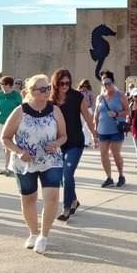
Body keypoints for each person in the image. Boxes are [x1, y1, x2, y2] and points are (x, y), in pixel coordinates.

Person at [0, 73, 67, 254]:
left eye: (48, 88)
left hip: (50, 160)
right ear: (31, 92)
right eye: (42, 89)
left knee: (51, 197)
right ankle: (33, 232)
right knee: (28, 199)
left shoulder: (55, 111)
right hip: (25, 163)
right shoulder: (19, 112)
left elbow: (63, 136)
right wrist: (20, 152)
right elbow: (5, 138)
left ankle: (44, 236)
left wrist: (57, 143)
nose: (47, 92)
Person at [50, 69, 98, 221]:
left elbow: (88, 117)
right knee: (62, 177)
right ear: (55, 83)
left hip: (75, 142)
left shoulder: (77, 97)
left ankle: (66, 209)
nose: (65, 86)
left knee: (67, 174)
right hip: (58, 143)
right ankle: (74, 201)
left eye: (68, 83)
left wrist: (94, 135)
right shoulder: (50, 99)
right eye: (61, 83)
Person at [93, 71, 127, 188]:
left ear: (112, 82)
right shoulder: (100, 97)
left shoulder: (120, 95)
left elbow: (127, 111)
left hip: (116, 130)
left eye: (108, 83)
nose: (106, 85)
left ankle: (121, 175)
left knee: (115, 153)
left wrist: (117, 113)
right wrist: (94, 133)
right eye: (104, 83)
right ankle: (109, 177)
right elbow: (96, 115)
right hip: (102, 130)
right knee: (103, 154)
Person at [0, 75, 23, 176]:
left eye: (4, 84)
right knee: (5, 146)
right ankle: (8, 166)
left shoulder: (16, 95)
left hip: (14, 123)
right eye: (1, 84)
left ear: (10, 85)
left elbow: (22, 109)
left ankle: (9, 167)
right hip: (1, 122)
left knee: (11, 145)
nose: (2, 86)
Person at [78, 79, 96, 147]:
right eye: (84, 85)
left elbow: (92, 101)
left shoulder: (89, 92)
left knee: (87, 126)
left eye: (86, 85)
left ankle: (86, 141)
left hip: (88, 109)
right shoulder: (78, 92)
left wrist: (90, 108)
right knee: (81, 126)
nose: (85, 86)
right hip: (80, 110)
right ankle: (82, 140)